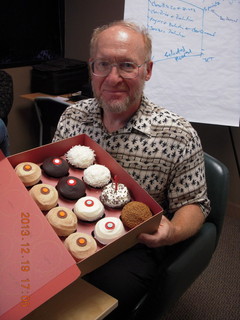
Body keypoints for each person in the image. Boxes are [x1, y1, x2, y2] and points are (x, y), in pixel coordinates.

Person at [53, 20, 210, 319]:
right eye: (103, 64)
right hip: (68, 225)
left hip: (130, 246)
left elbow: (195, 204)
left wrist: (172, 231)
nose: (113, 78)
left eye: (127, 65)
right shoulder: (72, 117)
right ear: (91, 67)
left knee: (88, 308)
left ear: (147, 70)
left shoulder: (177, 134)